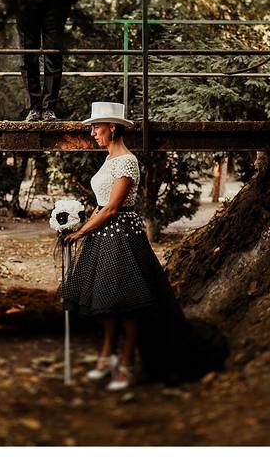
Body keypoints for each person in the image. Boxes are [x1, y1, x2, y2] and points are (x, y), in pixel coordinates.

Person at [62, 102, 228, 390]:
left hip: (121, 235)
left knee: (126, 304)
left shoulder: (126, 161)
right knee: (106, 301)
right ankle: (106, 358)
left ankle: (126, 364)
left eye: (97, 127)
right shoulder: (108, 159)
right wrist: (78, 220)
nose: (92, 132)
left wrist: (81, 232)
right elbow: (103, 201)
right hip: (102, 234)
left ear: (113, 127)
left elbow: (113, 208)